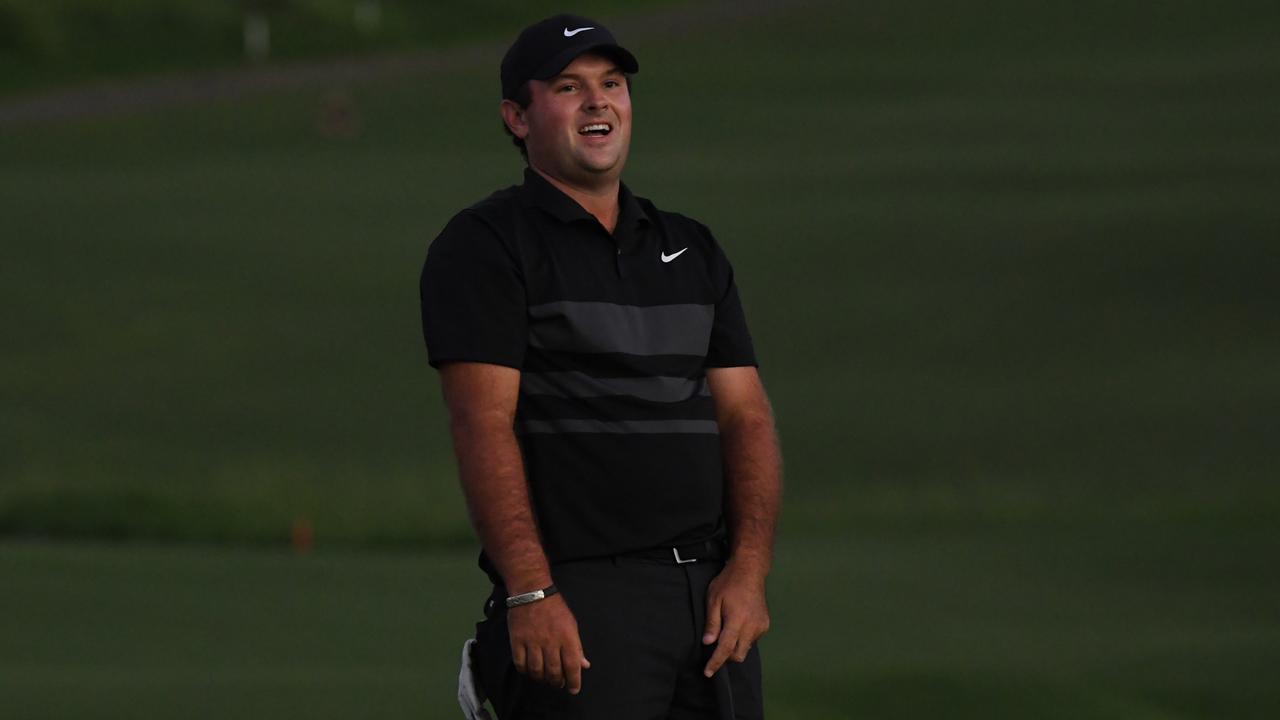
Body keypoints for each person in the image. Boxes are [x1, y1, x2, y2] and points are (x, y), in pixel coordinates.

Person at [419, 13, 782, 720]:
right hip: (580, 600)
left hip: (710, 600)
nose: (598, 102)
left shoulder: (691, 247)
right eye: (568, 86)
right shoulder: (486, 245)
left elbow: (746, 414)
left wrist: (749, 570)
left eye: (611, 84)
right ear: (517, 119)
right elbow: (481, 423)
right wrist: (530, 591)